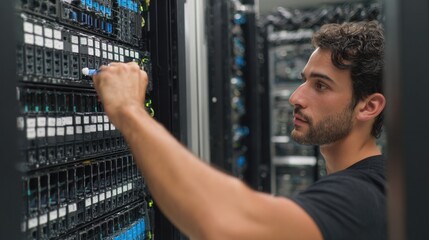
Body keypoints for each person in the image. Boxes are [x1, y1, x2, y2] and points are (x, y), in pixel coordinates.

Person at [93, 20, 386, 240]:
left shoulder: (364, 196)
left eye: (321, 85)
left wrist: (128, 109)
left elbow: (225, 223)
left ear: (368, 107)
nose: (296, 97)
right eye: (304, 80)